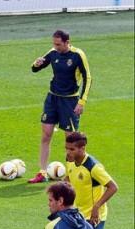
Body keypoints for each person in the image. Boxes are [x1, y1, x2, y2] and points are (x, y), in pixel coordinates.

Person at [28, 30, 91, 183]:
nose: (55, 47)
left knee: (70, 141)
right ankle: (42, 172)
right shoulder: (53, 52)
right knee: (46, 134)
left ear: (67, 42)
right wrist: (35, 64)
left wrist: (82, 102)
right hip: (52, 98)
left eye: (58, 44)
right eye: (53, 44)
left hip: (70, 101)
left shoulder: (78, 55)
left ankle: (71, 175)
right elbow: (36, 68)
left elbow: (88, 78)